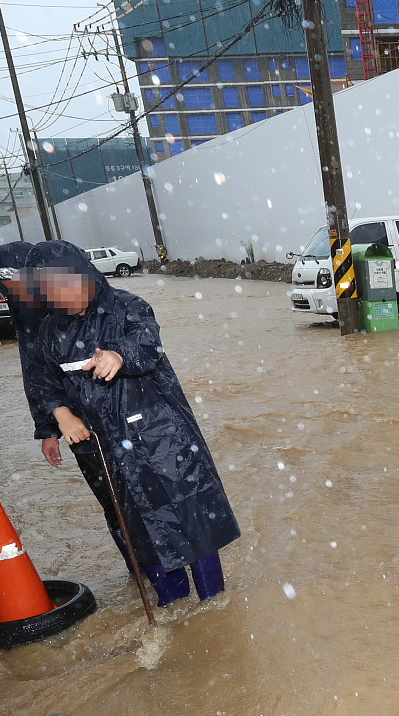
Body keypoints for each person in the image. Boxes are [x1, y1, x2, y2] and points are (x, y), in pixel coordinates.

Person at [21, 240, 239, 606]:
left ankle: (213, 606)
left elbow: (148, 344)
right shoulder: (47, 333)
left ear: (84, 275)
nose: (64, 297)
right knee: (135, 525)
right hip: (100, 448)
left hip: (159, 435)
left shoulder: (126, 307)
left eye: (68, 286)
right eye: (52, 292)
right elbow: (41, 382)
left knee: (191, 516)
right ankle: (173, 605)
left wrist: (119, 355)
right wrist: (62, 415)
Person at [0, 241, 59, 443]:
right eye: (8, 289)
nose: (16, 294)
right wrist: (47, 430)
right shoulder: (24, 315)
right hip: (77, 426)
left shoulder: (72, 305)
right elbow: (35, 374)